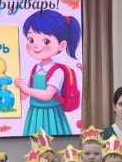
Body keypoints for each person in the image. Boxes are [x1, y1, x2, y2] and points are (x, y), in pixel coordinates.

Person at [16, 9, 80, 137]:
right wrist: (18, 88)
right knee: (32, 146)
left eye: (46, 41)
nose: (35, 46)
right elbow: (25, 96)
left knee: (53, 145)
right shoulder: (35, 68)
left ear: (62, 45)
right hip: (34, 114)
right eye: (31, 39)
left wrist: (25, 89)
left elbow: (47, 95)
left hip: (51, 115)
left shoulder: (58, 71)